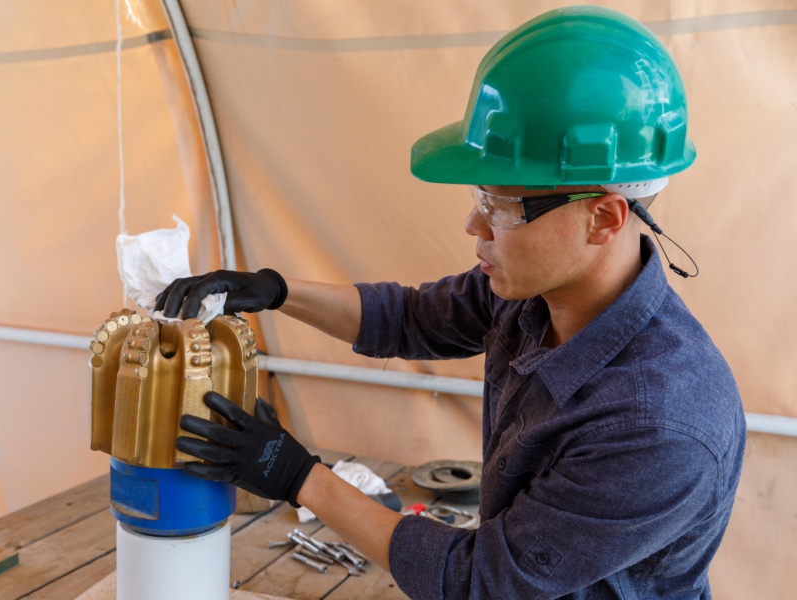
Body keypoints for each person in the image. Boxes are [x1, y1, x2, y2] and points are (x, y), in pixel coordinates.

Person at [156, 6, 745, 599]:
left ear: (604, 219)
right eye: (480, 196)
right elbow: (411, 319)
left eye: (503, 206)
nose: (474, 225)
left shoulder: (658, 424)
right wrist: (276, 290)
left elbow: (479, 582)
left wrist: (297, 476)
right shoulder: (536, 294)